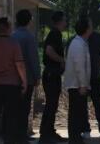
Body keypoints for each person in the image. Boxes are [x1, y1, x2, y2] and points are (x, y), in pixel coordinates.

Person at [12, 9, 42, 144]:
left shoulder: (12, 36)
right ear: (29, 21)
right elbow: (33, 58)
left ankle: (14, 135)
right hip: (28, 77)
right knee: (24, 108)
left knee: (14, 108)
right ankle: (22, 136)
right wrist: (37, 76)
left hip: (12, 78)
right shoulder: (29, 37)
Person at [40, 11, 68, 143]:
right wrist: (61, 60)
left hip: (53, 74)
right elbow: (49, 51)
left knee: (53, 104)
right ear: (60, 21)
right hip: (51, 74)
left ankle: (49, 131)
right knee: (51, 105)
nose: (66, 23)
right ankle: (45, 135)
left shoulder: (56, 34)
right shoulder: (54, 34)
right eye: (65, 20)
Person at [65, 17, 93, 144]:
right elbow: (79, 66)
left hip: (78, 84)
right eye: (90, 25)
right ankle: (74, 138)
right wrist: (83, 84)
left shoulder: (81, 42)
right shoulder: (78, 44)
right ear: (86, 29)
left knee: (77, 112)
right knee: (76, 113)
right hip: (76, 85)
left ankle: (76, 137)